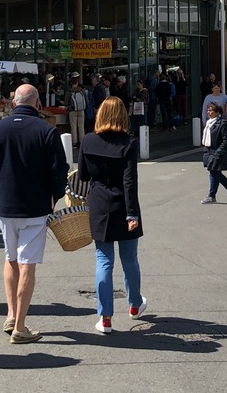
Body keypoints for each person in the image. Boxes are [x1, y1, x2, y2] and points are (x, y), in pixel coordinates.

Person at [0, 84, 69, 345]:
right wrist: (54, 195)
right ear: (37, 103)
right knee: (28, 263)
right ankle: (20, 325)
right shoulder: (47, 131)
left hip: (6, 206)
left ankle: (10, 313)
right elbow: (58, 171)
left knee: (10, 258)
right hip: (36, 207)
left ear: (13, 103)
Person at [78, 97, 145, 335]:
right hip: (123, 205)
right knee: (130, 259)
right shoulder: (128, 143)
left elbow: (83, 175)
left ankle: (105, 317)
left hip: (99, 204)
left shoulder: (88, 140)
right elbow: (130, 182)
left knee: (103, 260)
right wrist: (132, 213)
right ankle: (135, 304)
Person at [200, 102, 227, 204]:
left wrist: (218, 152)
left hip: (217, 151)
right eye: (208, 110)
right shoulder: (209, 122)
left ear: (217, 112)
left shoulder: (223, 124)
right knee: (216, 173)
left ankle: (212, 196)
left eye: (211, 110)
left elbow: (226, 140)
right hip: (208, 150)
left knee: (213, 172)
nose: (208, 112)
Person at [67, 78, 88, 148]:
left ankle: (74, 143)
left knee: (73, 127)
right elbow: (87, 101)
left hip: (72, 111)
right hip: (81, 110)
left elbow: (66, 102)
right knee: (81, 126)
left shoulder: (69, 91)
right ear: (77, 82)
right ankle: (82, 142)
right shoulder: (82, 91)